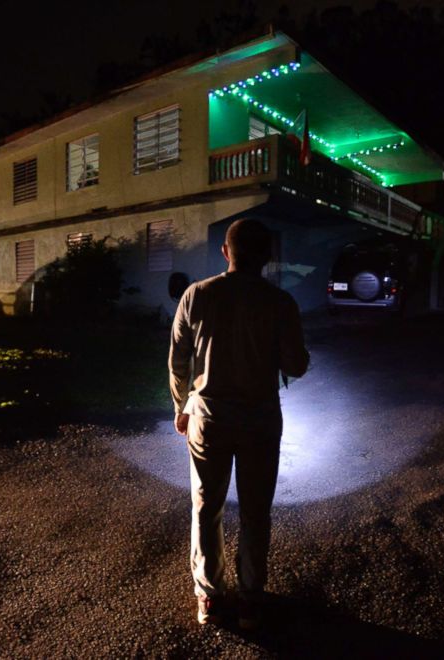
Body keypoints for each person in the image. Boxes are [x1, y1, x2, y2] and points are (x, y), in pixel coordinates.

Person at [169, 218, 309, 630]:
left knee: (205, 507)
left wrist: (181, 406)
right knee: (255, 511)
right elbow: (295, 366)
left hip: (207, 418)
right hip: (260, 420)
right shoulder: (280, 303)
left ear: (225, 252)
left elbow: (178, 361)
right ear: (266, 257)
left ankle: (209, 596)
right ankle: (251, 596)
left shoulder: (196, 295)